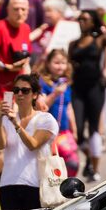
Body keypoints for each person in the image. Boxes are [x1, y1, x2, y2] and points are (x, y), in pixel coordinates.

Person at [0, 74, 59, 210]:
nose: (19, 94)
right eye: (16, 90)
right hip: (8, 183)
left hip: (35, 184)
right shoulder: (7, 119)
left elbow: (33, 144)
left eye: (25, 90)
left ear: (35, 94)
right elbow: (0, 145)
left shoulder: (46, 119)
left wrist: (16, 124)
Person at [68, 11, 106, 181]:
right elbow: (69, 66)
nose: (81, 21)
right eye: (80, 18)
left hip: (95, 88)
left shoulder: (100, 39)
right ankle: (89, 156)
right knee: (78, 131)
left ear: (92, 22)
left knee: (94, 127)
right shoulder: (73, 44)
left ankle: (94, 169)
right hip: (78, 89)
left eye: (85, 19)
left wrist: (103, 20)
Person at [35, 49, 78, 178]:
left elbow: (69, 107)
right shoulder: (43, 84)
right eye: (56, 62)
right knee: (53, 164)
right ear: (48, 63)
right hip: (49, 132)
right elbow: (42, 106)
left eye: (63, 63)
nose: (60, 66)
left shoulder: (65, 83)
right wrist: (55, 93)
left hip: (64, 132)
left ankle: (66, 188)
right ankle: (56, 188)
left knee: (72, 163)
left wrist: (74, 130)